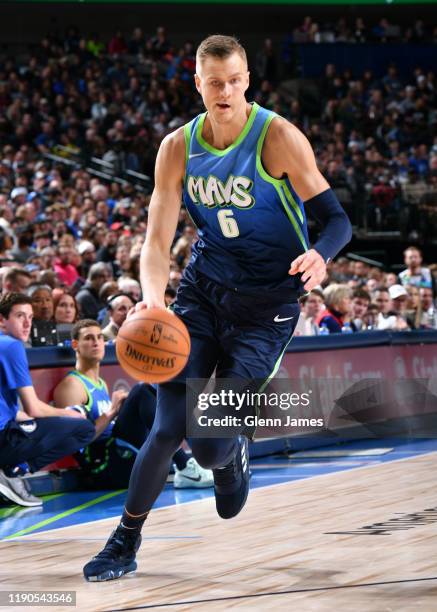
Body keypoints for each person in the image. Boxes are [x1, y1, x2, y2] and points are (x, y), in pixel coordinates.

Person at [83, 34, 352, 582]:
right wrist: (153, 302)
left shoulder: (277, 137)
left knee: (207, 444)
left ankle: (232, 457)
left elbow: (339, 221)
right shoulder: (177, 146)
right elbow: (157, 243)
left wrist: (320, 258)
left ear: (247, 80)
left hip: (267, 307)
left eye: (234, 81)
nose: (224, 91)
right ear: (198, 84)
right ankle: (124, 540)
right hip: (202, 292)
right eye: (214, 82)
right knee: (168, 424)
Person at [53, 319, 213, 489]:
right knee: (141, 391)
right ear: (75, 344)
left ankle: (200, 458)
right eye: (89, 338)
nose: (96, 342)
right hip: (101, 466)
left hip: (118, 454)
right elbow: (74, 441)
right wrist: (112, 412)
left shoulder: (100, 383)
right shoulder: (71, 386)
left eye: (100, 337)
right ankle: (185, 466)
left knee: (154, 392)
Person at [0, 293, 95, 507]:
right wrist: (69, 413)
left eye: (30, 317)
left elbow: (12, 409)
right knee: (84, 428)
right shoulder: (11, 346)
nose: (27, 323)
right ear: (2, 320)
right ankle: (14, 471)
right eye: (19, 316)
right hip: (3, 441)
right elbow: (34, 408)